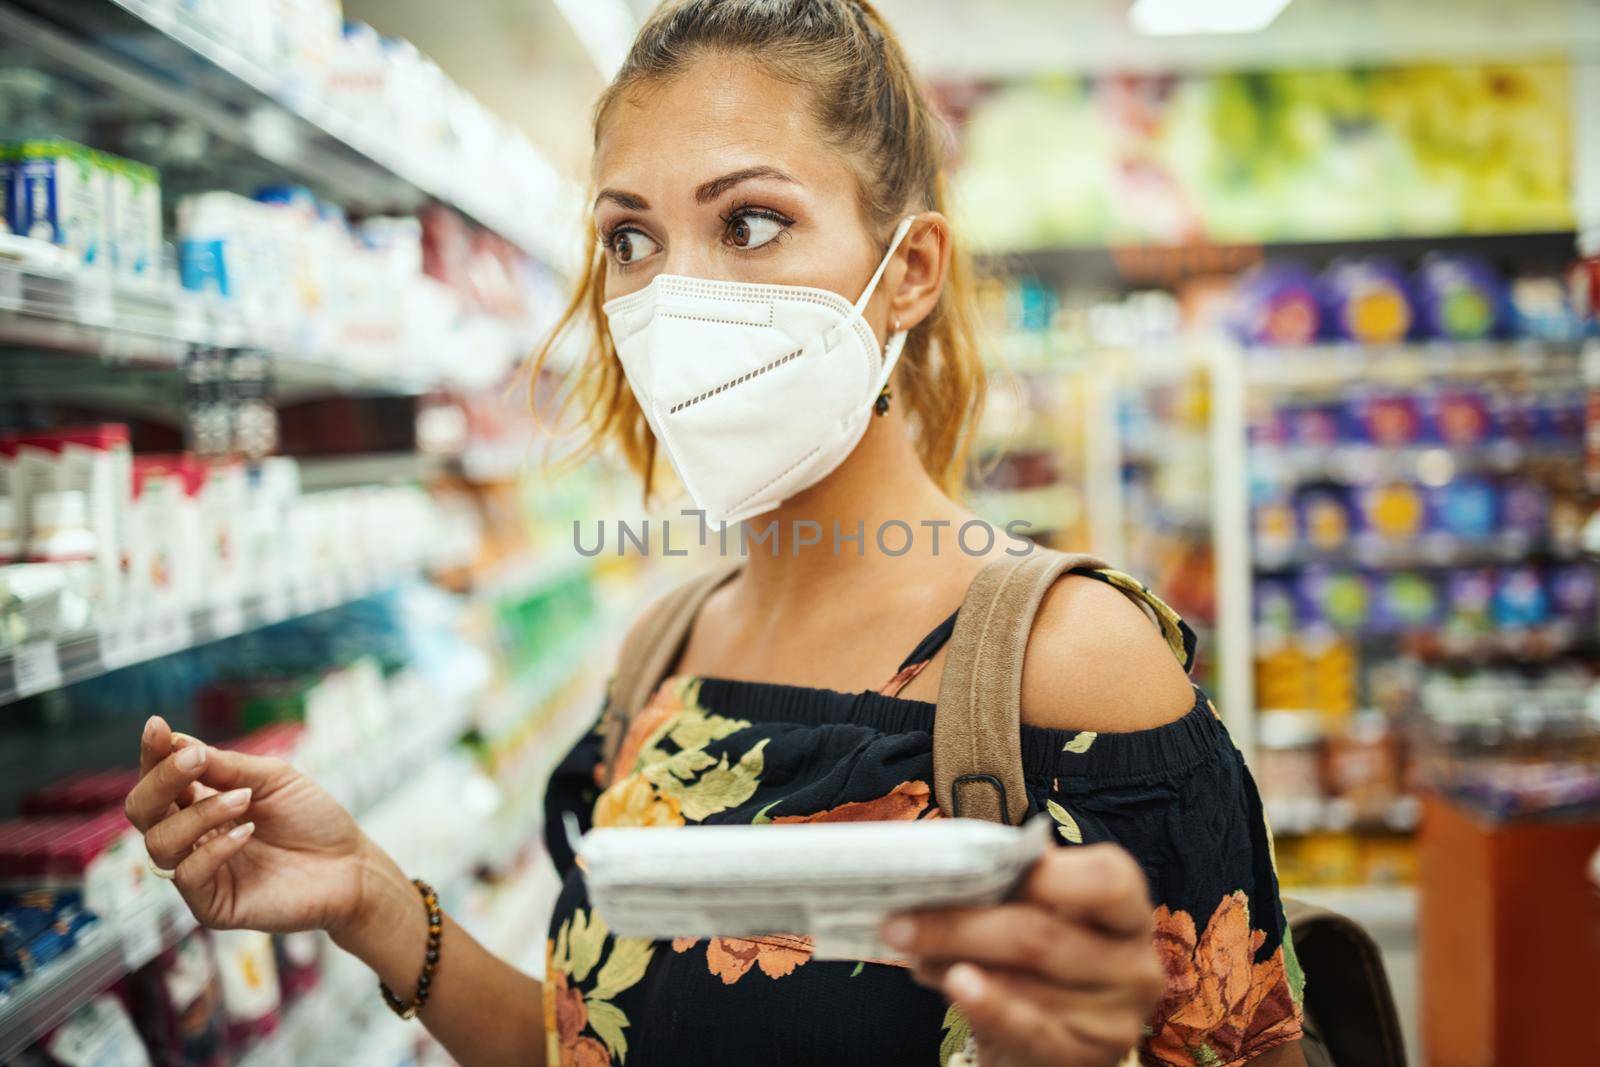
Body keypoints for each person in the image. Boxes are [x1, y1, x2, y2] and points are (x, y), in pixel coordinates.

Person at [123, 2, 1308, 1065]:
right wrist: (370, 896)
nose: (672, 301)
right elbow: (591, 1043)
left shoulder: (1069, 661)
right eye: (631, 240)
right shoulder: (661, 654)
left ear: (909, 273)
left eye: (749, 222)